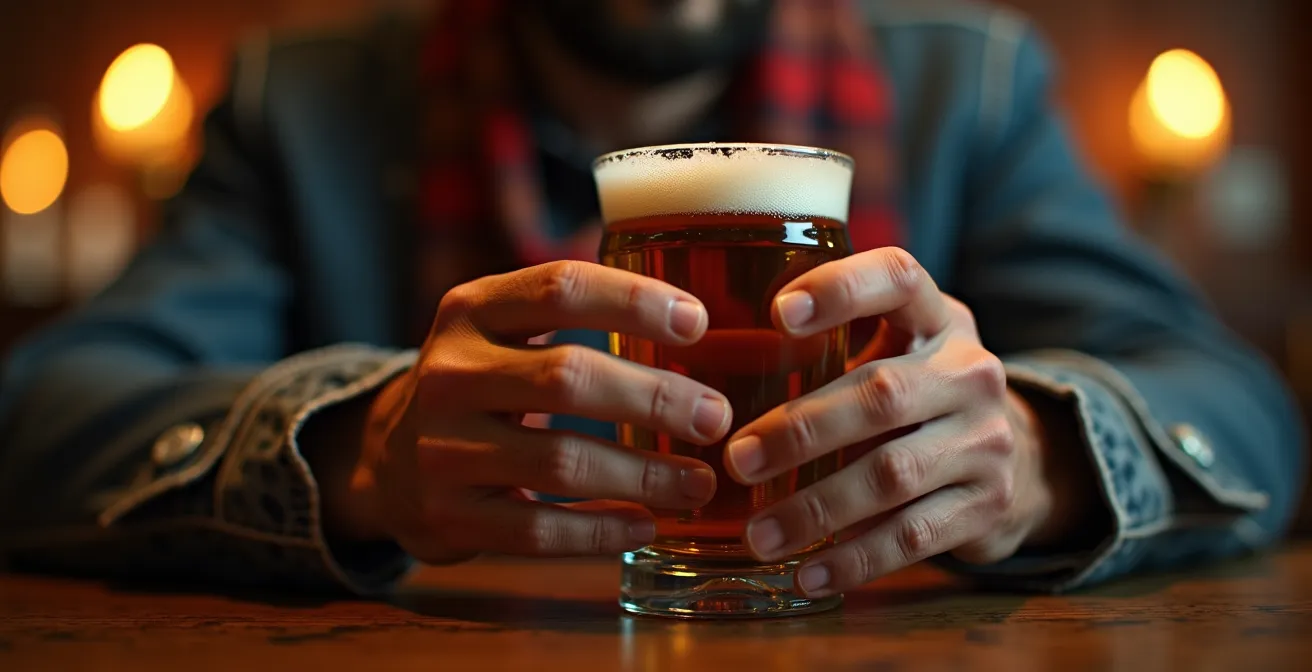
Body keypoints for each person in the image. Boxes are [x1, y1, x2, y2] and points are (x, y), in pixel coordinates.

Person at [0, 0, 1303, 598]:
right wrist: (352, 445)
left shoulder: (970, 86)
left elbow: (1237, 403)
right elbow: (44, 415)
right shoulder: (303, 101)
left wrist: (1031, 459)